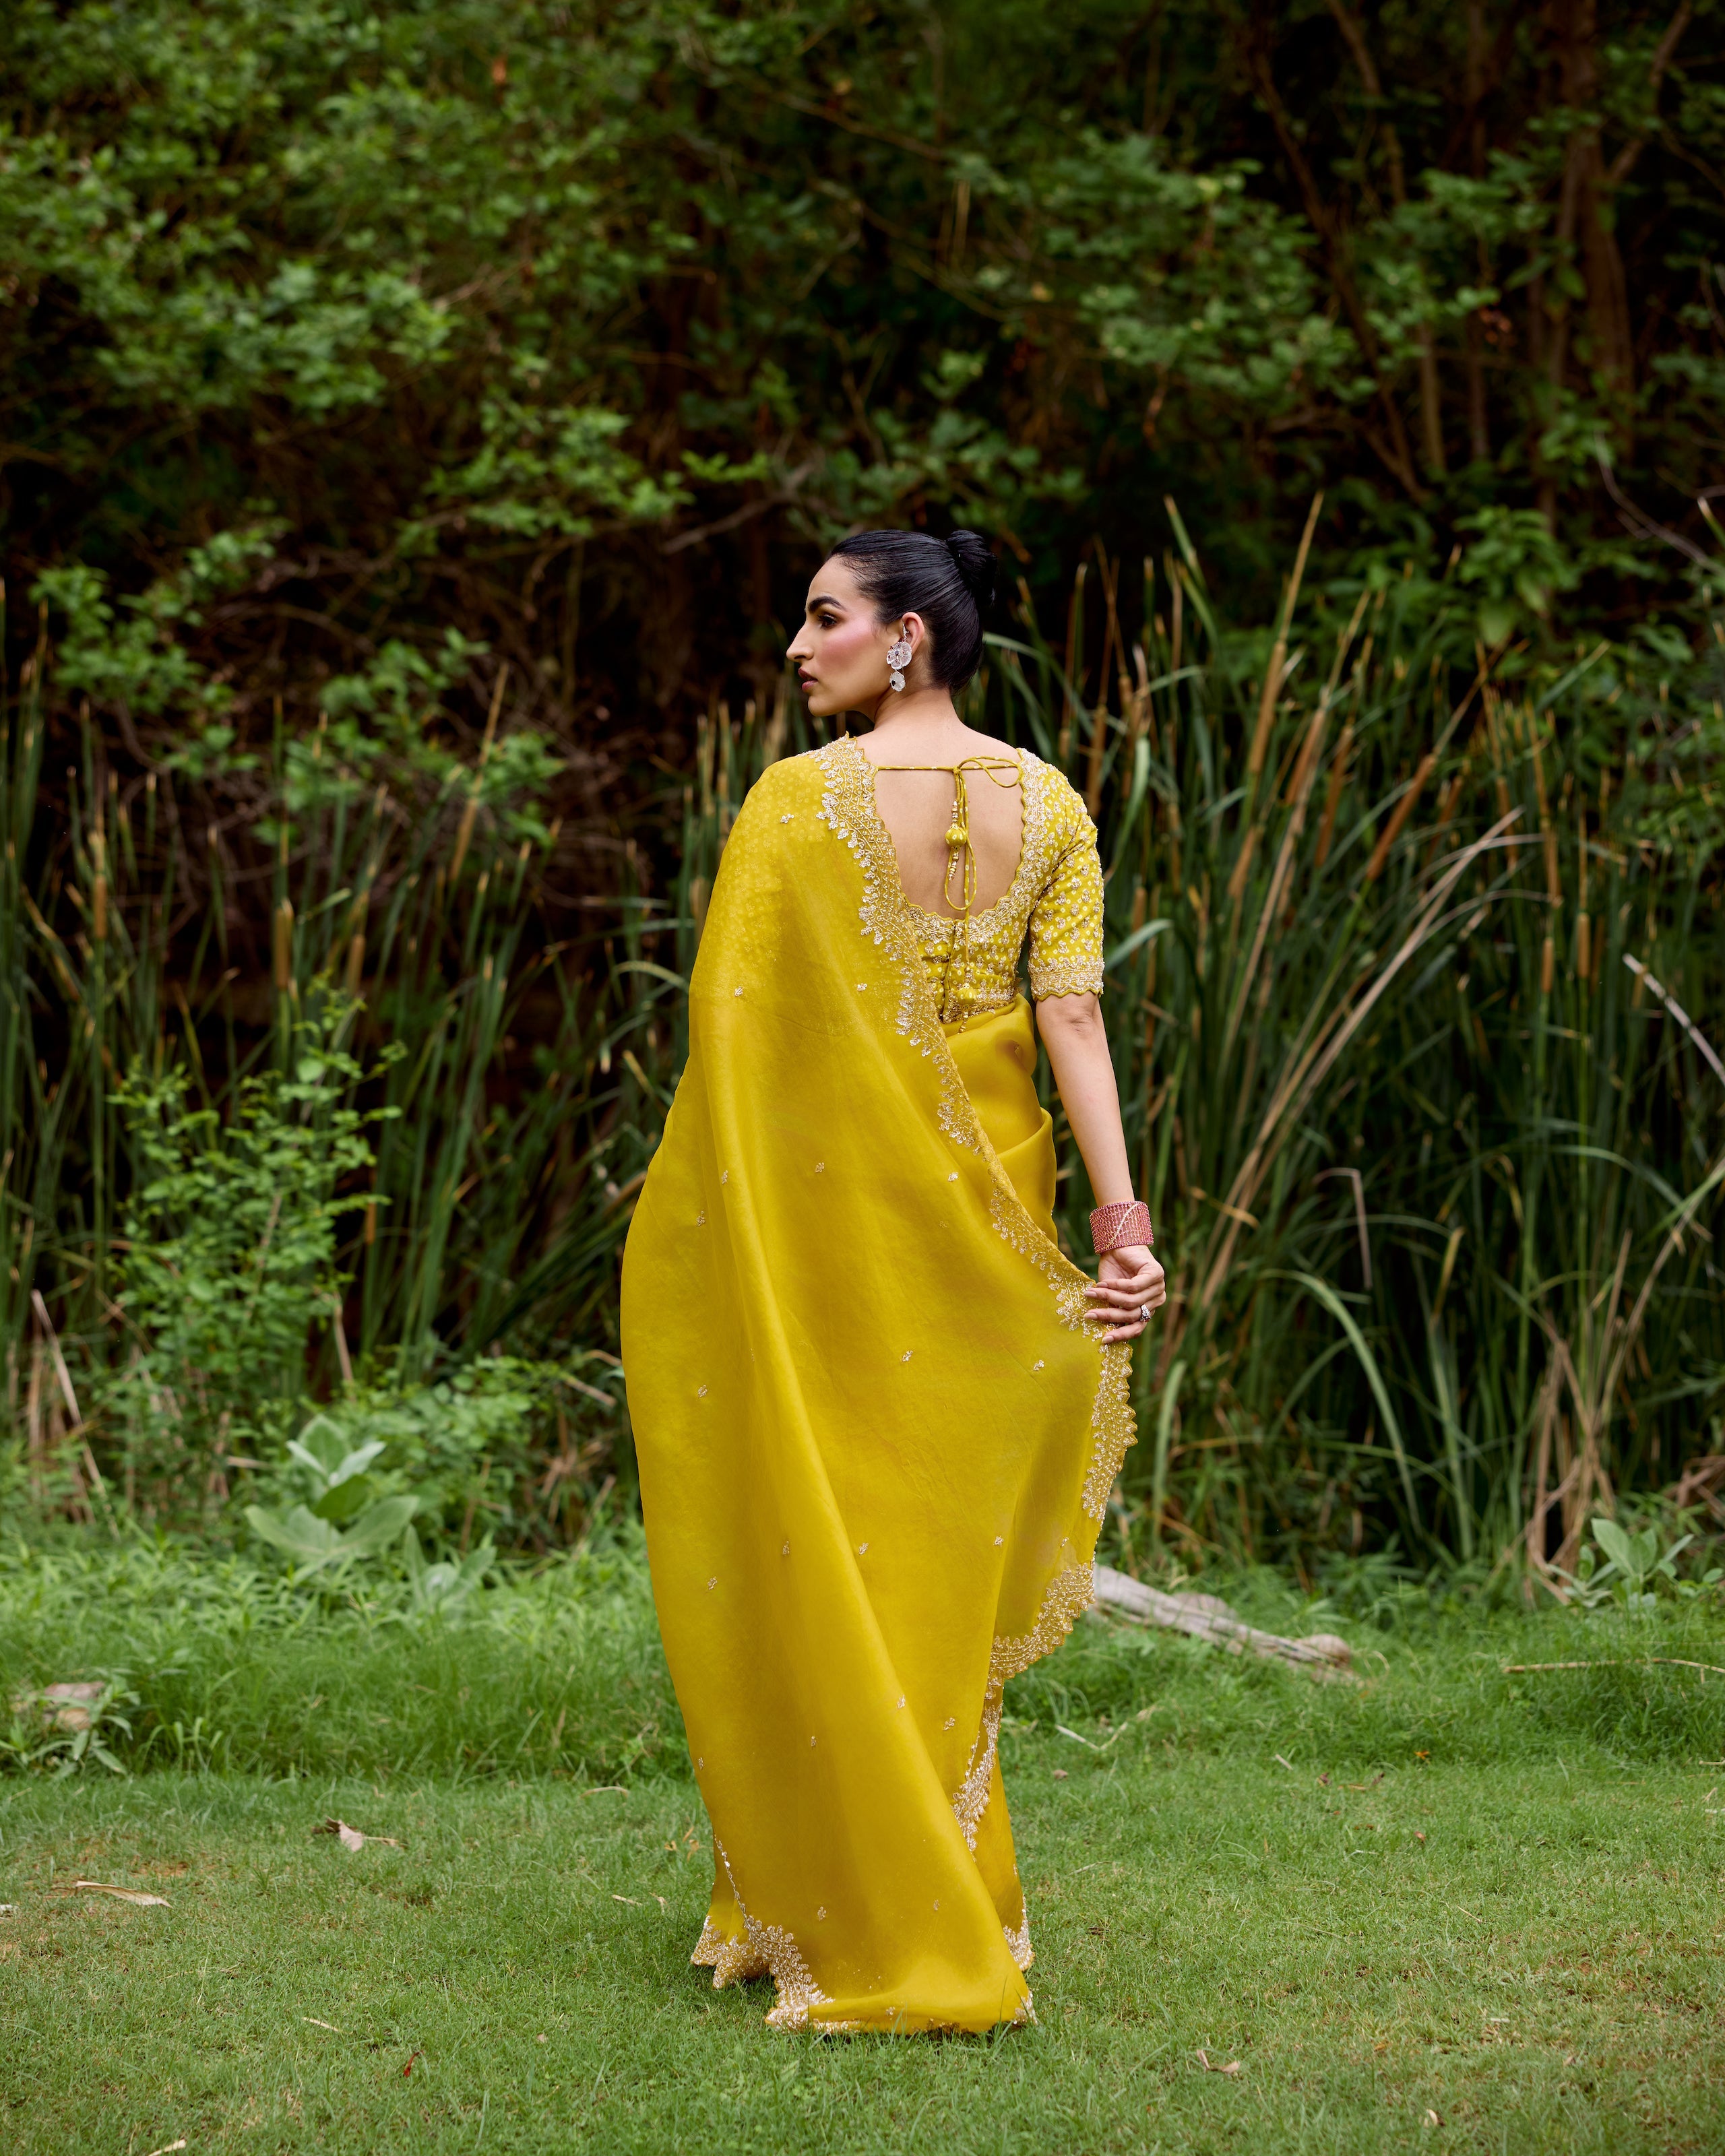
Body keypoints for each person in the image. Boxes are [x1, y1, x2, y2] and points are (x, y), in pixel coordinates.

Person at [620, 527, 1166, 2033]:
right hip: (999, 1210)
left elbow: (743, 1049)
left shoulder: (797, 806)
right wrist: (1121, 1224)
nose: (799, 647)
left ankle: (865, 1910)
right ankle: (917, 1895)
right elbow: (1071, 1023)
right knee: (933, 1547)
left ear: (907, 635)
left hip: (844, 1228)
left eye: (826, 617)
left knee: (841, 1532)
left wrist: (718, 1239)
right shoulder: (1051, 802)